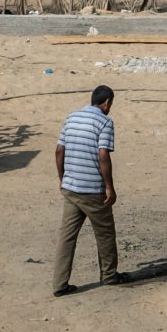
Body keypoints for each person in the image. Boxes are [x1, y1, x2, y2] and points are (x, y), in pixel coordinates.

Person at [52, 85, 123, 294]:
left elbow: (58, 151)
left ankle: (59, 284)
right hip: (92, 190)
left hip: (71, 188)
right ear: (107, 102)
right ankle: (109, 275)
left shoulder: (71, 117)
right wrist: (109, 187)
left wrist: (62, 178)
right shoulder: (105, 122)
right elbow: (103, 156)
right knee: (105, 233)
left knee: (67, 236)